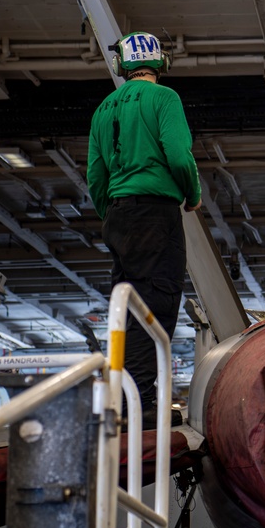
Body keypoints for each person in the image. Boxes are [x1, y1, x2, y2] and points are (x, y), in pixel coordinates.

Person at [87, 31, 201, 428]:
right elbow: (178, 154)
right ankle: (142, 408)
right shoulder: (164, 98)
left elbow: (95, 177)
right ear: (160, 63)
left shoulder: (103, 109)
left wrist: (114, 215)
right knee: (156, 305)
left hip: (118, 218)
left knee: (127, 308)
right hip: (157, 215)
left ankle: (125, 396)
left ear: (122, 64)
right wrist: (193, 193)